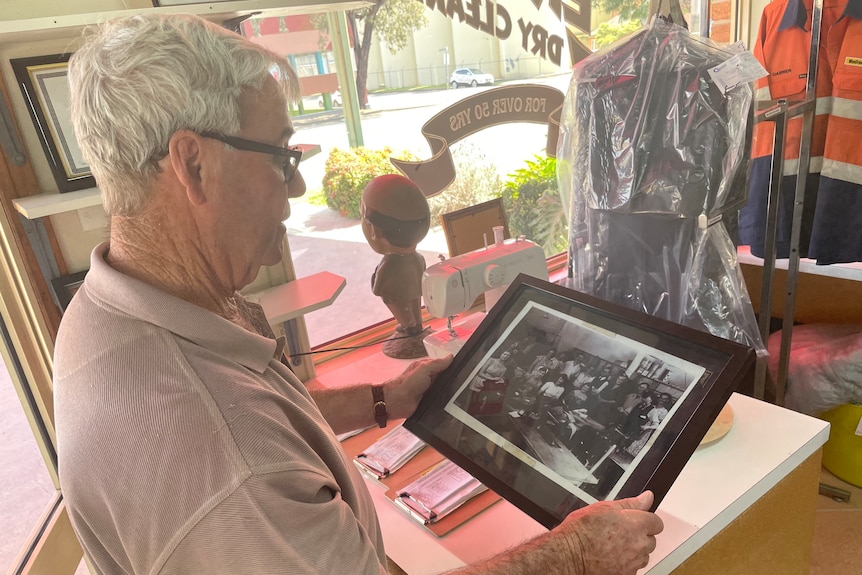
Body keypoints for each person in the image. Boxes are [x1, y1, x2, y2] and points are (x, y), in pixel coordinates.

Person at [53, 13, 662, 575]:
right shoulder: (228, 458)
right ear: (193, 165)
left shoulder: (112, 309)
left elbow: (268, 417)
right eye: (281, 156)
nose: (294, 188)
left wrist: (380, 399)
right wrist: (577, 553)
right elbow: (245, 450)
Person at [360, 174, 430, 358]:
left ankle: (410, 326)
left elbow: (379, 288)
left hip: (394, 296)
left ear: (374, 230)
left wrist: (376, 283)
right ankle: (416, 325)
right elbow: (423, 276)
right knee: (415, 303)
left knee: (402, 309)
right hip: (414, 290)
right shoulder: (418, 258)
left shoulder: (389, 264)